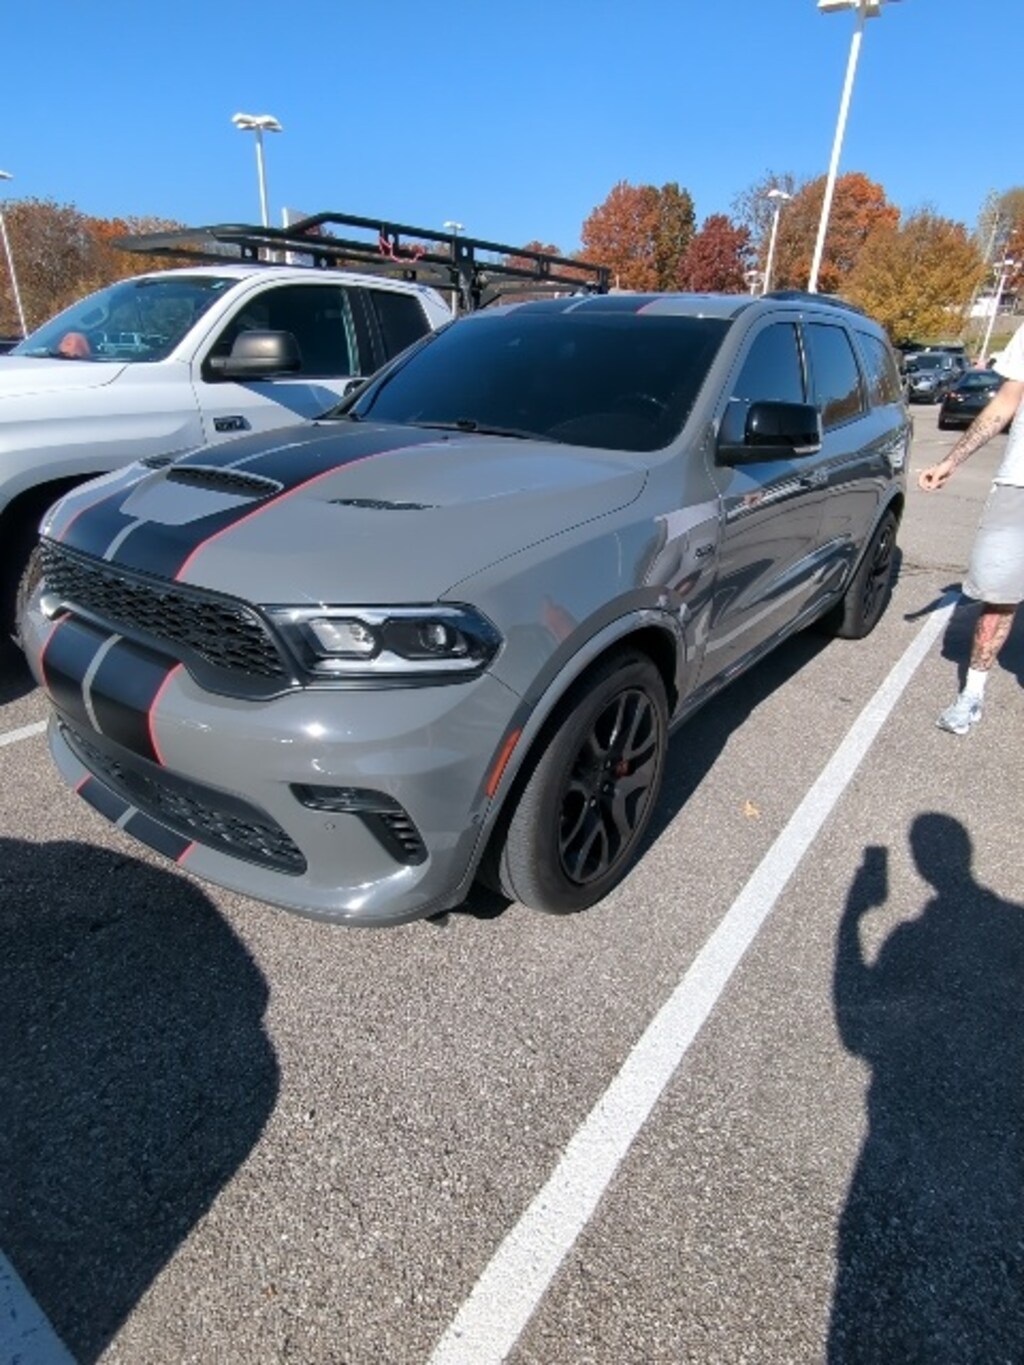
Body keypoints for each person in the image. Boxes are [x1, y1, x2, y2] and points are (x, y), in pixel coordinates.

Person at [918, 325, 1024, 734]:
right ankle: (972, 695)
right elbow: (1005, 403)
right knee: (996, 595)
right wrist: (951, 460)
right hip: (1019, 484)